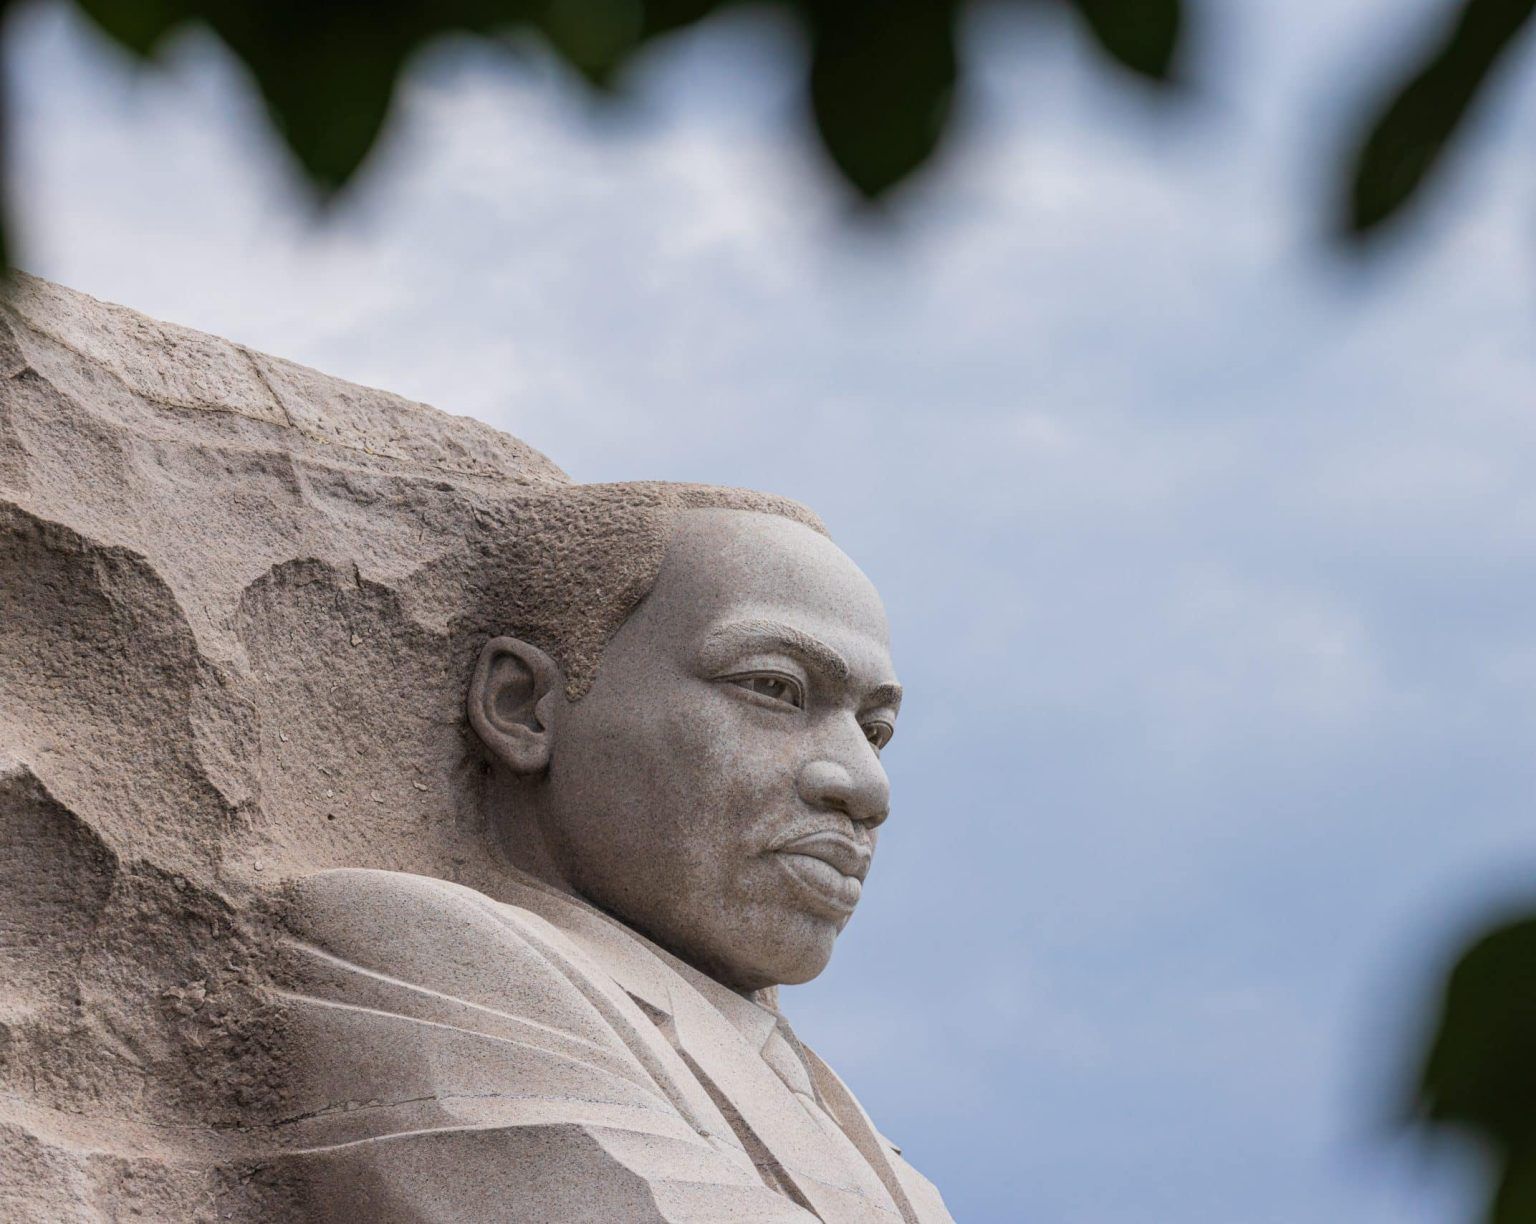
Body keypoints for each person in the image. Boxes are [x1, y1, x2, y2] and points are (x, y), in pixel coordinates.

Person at [269, 483, 954, 1222]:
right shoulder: (408, 947)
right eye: (775, 688)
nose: (866, 785)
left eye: (876, 731)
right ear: (523, 704)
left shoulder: (865, 1140)